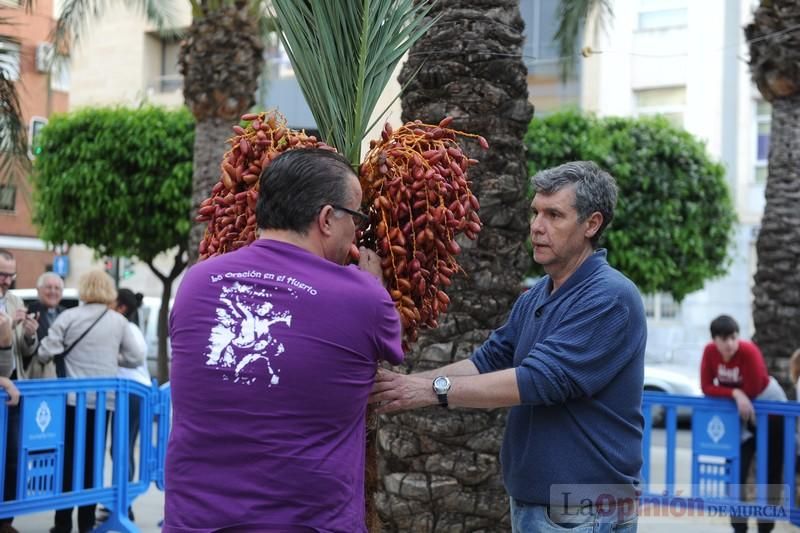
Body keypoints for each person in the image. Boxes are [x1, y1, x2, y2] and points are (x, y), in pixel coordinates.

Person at [370, 161, 647, 532]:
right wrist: (404, 386)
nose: (537, 226)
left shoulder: (610, 297)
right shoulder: (538, 295)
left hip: (579, 510)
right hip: (541, 506)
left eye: (554, 215)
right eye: (535, 212)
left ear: (592, 224)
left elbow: (538, 381)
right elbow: (487, 361)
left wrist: (430, 390)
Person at [164, 148, 404, 532]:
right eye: (357, 219)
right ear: (327, 218)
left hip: (195, 523)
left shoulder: (195, 282)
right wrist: (372, 283)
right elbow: (391, 346)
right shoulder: (364, 297)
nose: (357, 233)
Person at [38, 269, 145, 533]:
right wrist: (112, 359)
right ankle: (86, 524)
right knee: (92, 464)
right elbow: (136, 357)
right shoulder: (118, 322)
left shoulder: (69, 316)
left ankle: (62, 524)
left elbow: (44, 352)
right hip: (103, 403)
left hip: (72, 402)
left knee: (68, 463)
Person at [700, 315, 785, 533]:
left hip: (772, 413)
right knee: (736, 469)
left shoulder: (748, 351)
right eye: (724, 338)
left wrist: (738, 394)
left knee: (770, 473)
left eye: (733, 337)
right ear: (714, 340)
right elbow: (706, 386)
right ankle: (739, 526)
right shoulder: (710, 353)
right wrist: (735, 393)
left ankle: (766, 527)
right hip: (742, 417)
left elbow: (755, 388)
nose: (729, 343)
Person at [97, 288, 149, 524]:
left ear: (121, 308)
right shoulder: (132, 328)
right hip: (136, 393)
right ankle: (122, 503)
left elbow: (131, 358)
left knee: (121, 448)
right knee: (123, 448)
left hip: (130, 392)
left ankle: (122, 505)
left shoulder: (124, 328)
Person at [0, 249, 40, 533]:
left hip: (14, 387)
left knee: (13, 457)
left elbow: (25, 350)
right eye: (1, 275)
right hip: (4, 383)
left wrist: (29, 333)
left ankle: (6, 519)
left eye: (10, 275)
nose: (6, 281)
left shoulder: (15, 299)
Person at [27, 272, 67, 353]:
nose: (53, 291)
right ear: (38, 290)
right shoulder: (29, 312)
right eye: (48, 287)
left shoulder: (66, 313)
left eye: (57, 288)